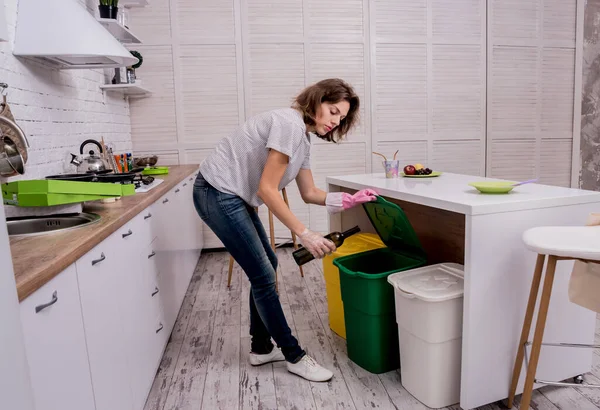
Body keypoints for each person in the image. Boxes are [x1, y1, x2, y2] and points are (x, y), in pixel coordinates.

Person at [193, 78, 377, 382]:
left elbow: (309, 192)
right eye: (333, 111)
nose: (335, 121)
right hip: (216, 192)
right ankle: (293, 355)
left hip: (232, 196)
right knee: (264, 274)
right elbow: (267, 189)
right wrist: (305, 233)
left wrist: (346, 200)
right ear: (317, 101)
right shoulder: (288, 124)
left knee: (268, 267)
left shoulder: (302, 137)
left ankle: (262, 349)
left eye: (341, 118)